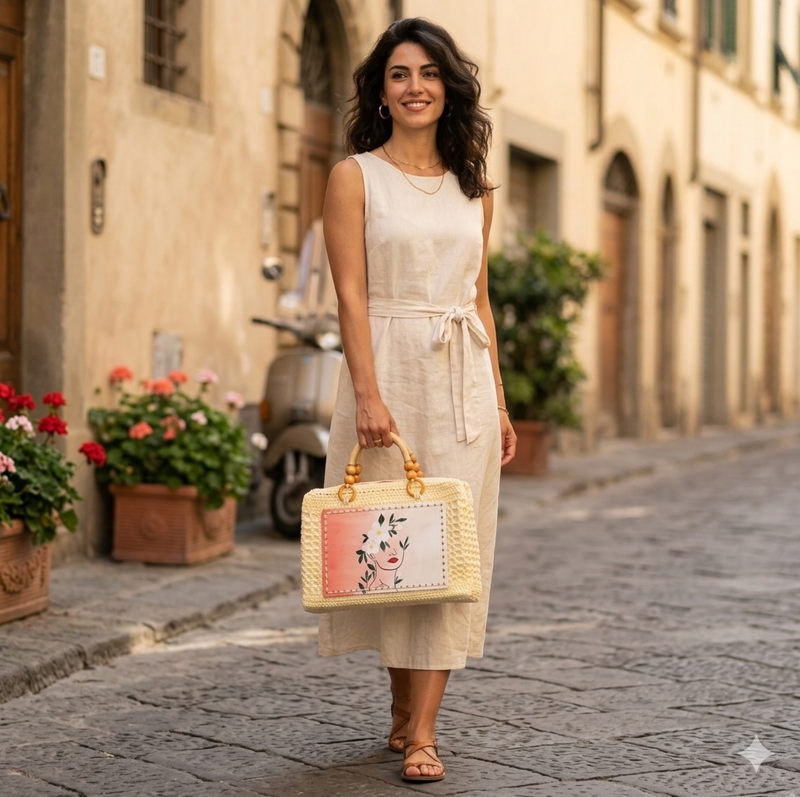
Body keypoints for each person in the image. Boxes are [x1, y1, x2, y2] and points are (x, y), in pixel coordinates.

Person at [320, 17, 516, 783]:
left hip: (463, 378)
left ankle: (425, 729)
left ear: (449, 87)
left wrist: (497, 399)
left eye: (429, 73)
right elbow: (349, 294)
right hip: (389, 371)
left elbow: (482, 299)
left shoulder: (477, 190)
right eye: (400, 74)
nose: (415, 87)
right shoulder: (354, 176)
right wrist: (367, 392)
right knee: (394, 545)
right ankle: (401, 707)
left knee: (453, 552)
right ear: (382, 89)